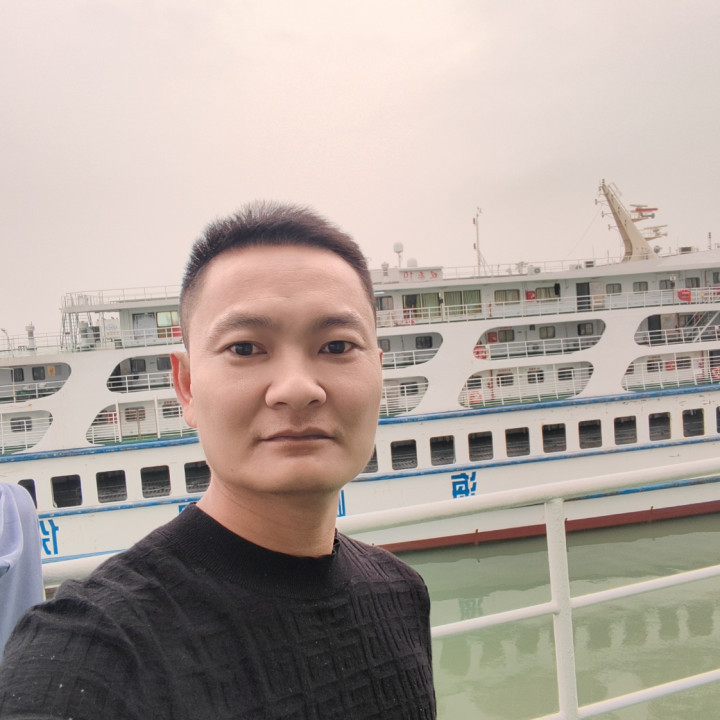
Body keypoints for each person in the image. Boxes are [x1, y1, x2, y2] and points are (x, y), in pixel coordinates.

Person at [0, 202, 436, 719]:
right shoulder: (88, 653)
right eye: (245, 348)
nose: (297, 388)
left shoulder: (402, 592)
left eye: (337, 345)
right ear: (186, 385)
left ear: (379, 372)